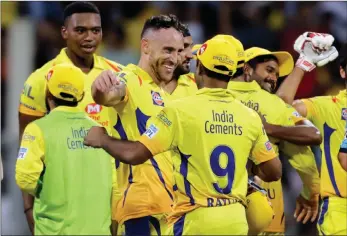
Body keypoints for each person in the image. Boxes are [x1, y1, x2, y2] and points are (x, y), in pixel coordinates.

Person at [84, 37, 282, 235]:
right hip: (235, 219)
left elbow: (135, 153)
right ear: (231, 73)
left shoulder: (179, 111)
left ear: (201, 68)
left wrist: (102, 139)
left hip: (194, 220)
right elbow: (274, 171)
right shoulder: (249, 116)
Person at [18, 2, 123, 234]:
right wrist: (28, 210)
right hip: (59, 211)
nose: (89, 37)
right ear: (64, 32)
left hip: (106, 203)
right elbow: (25, 144)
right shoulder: (40, 79)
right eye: (80, 30)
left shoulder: (118, 76)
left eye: (96, 30)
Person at [92, 15, 197, 236]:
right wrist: (100, 88)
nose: (175, 58)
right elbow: (108, 94)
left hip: (170, 210)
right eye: (168, 50)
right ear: (146, 47)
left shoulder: (164, 94)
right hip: (141, 211)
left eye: (178, 51)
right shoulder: (129, 80)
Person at [228, 46, 323, 235]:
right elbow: (305, 156)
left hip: (219, 206)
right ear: (247, 69)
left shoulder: (212, 96)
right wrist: (311, 192)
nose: (273, 78)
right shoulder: (275, 107)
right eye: (269, 70)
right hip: (267, 208)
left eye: (276, 74)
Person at [15, 64, 115, 235]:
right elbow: (115, 185)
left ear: (48, 94)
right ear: (82, 95)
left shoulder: (37, 129)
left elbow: (25, 179)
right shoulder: (102, 130)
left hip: (55, 230)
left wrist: (50, 189)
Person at [277, 37, 347, 235]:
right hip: (340, 212)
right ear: (342, 71)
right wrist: (303, 64)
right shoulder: (328, 105)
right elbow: (280, 108)